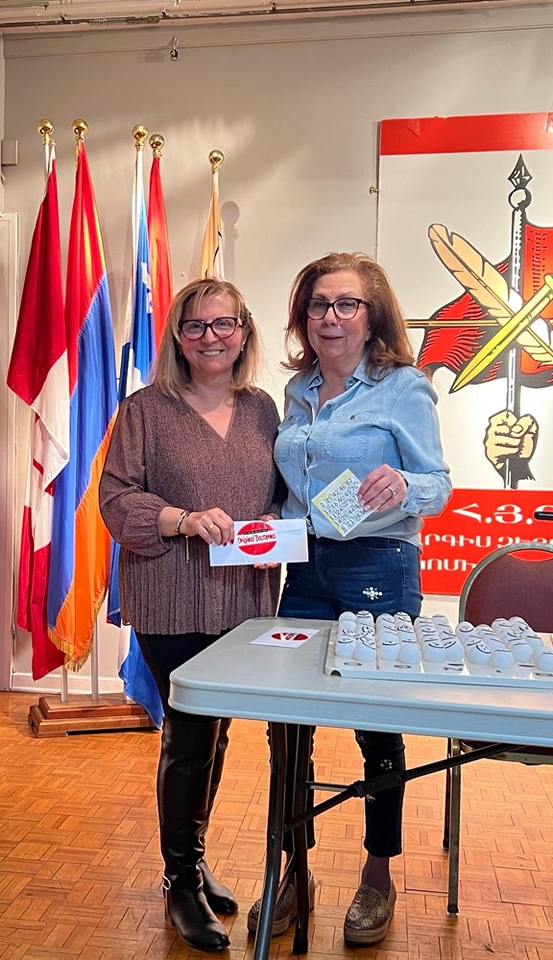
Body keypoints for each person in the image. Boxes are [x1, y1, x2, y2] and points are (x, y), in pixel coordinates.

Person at [247, 252, 452, 946]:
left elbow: (438, 483)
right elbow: (295, 490)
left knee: (376, 725)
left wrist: (406, 486)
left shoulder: (404, 387)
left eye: (345, 304)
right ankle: (293, 871)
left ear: (372, 315)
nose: (329, 318)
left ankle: (377, 874)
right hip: (306, 566)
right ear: (303, 317)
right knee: (287, 725)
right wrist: (264, 525)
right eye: (317, 305)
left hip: (380, 563)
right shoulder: (296, 391)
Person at [99, 278, 282, 953]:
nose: (210, 337)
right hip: (169, 596)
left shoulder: (263, 409)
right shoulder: (145, 410)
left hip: (244, 600)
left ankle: (195, 858)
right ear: (178, 336)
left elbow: (282, 494)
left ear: (243, 331)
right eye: (195, 325)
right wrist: (180, 519)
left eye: (223, 324)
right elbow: (115, 499)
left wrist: (276, 530)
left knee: (219, 731)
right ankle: (178, 881)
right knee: (190, 734)